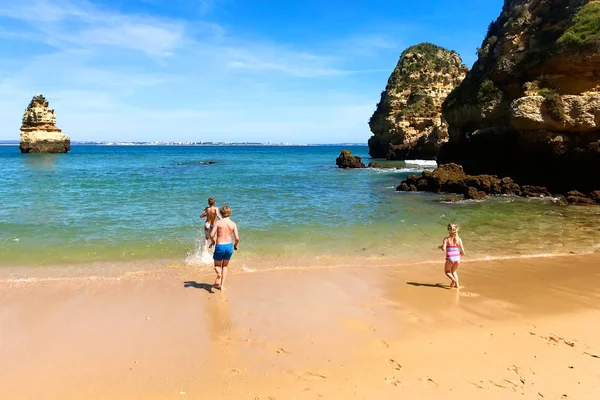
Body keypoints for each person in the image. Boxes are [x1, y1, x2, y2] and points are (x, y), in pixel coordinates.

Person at [209, 205, 239, 290]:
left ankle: (219, 273)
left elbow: (211, 235)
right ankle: (222, 286)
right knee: (225, 266)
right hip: (229, 246)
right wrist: (235, 245)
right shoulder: (233, 224)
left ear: (221, 213)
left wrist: (213, 241)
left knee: (216, 266)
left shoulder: (218, 222)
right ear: (230, 213)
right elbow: (237, 238)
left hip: (220, 246)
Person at [439, 222, 466, 289]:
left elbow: (443, 249)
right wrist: (462, 253)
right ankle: (457, 285)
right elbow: (462, 251)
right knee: (453, 271)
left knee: (447, 271)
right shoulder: (459, 239)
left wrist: (441, 247)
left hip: (450, 259)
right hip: (457, 258)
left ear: (448, 229)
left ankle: (453, 280)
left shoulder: (446, 239)